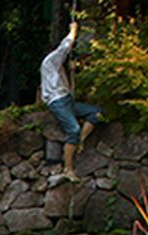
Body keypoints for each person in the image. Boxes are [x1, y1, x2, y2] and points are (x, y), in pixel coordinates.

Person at [40, 21, 102, 181]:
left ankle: (79, 141)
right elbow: (64, 47)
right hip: (58, 101)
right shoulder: (50, 61)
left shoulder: (56, 67)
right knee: (73, 129)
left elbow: (69, 88)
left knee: (96, 112)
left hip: (66, 99)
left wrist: (72, 70)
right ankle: (68, 169)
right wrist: (73, 31)